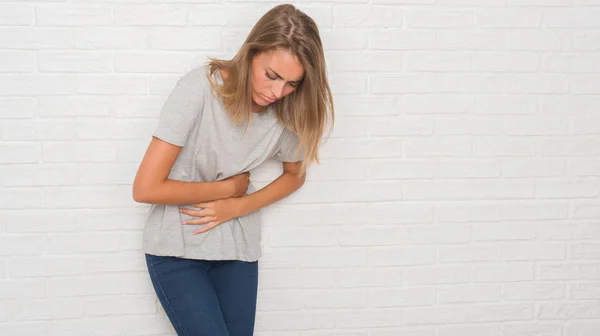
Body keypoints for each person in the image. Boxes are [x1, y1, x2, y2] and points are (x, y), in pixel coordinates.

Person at [132, 4, 334, 336]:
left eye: (291, 84)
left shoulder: (285, 111)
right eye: (271, 75)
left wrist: (238, 206)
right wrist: (226, 190)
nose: (276, 92)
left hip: (238, 249)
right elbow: (145, 188)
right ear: (252, 51)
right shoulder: (200, 88)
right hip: (176, 247)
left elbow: (295, 175)